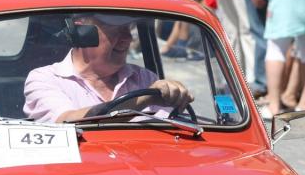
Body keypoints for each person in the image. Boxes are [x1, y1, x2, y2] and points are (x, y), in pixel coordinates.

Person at [24, 14, 193, 123]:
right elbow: (66, 122)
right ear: (82, 31)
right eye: (115, 29)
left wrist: (177, 95)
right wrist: (144, 99)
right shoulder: (46, 79)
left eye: (128, 29)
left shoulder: (144, 79)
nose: (127, 38)